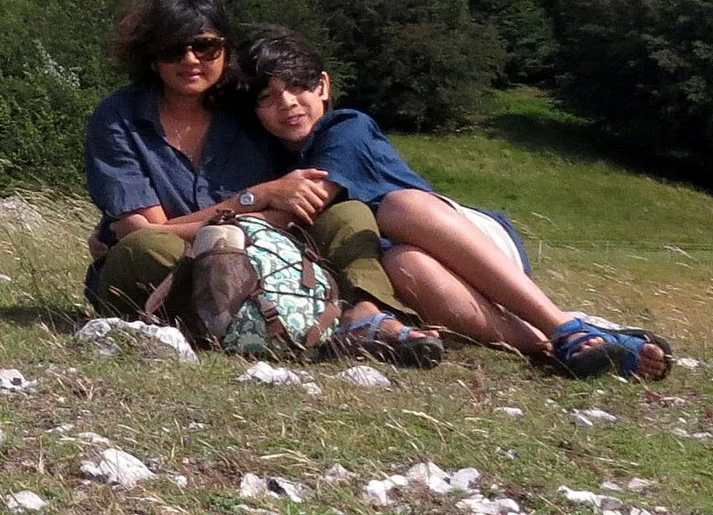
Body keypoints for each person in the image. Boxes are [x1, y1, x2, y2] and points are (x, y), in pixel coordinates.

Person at [237, 25, 673, 380]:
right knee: (405, 263)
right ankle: (563, 346)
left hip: (470, 243)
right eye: (268, 97)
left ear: (325, 87)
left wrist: (247, 203)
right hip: (416, 272)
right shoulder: (276, 161)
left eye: (298, 87)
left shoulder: (346, 127)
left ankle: (563, 324)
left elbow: (308, 203)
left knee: (399, 207)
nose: (287, 103)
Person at [83, 0, 439, 365]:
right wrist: (252, 200)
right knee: (156, 248)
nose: (190, 60)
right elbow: (146, 232)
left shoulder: (248, 110)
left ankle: (366, 315)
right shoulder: (119, 118)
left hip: (259, 257)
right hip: (167, 266)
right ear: (152, 58)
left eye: (204, 46)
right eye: (173, 49)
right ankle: (267, 325)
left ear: (224, 49)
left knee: (346, 214)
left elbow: (298, 198)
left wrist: (268, 211)